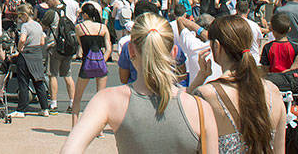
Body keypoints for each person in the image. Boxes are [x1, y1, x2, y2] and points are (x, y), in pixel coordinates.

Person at [61, 14, 216, 154]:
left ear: (131, 51)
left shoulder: (107, 100)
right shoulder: (201, 108)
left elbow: (70, 149)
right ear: (174, 53)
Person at [192, 14, 287, 154]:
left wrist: (199, 78)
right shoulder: (273, 91)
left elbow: (181, 121)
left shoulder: (206, 95)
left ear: (216, 46)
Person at [71, 2, 109, 120]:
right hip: (100, 62)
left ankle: (74, 126)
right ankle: (100, 129)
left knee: (77, 98)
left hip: (87, 63)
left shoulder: (79, 27)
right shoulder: (103, 27)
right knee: (100, 98)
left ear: (85, 14)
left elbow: (81, 45)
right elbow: (109, 48)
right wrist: (102, 60)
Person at [12, 4, 50, 117]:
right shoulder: (38, 25)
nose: (19, 19)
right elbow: (42, 41)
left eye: (20, 16)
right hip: (37, 54)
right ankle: (45, 108)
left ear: (24, 15)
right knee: (38, 81)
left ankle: (21, 109)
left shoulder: (25, 26)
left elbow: (23, 39)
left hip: (26, 55)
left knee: (23, 82)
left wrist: (20, 48)